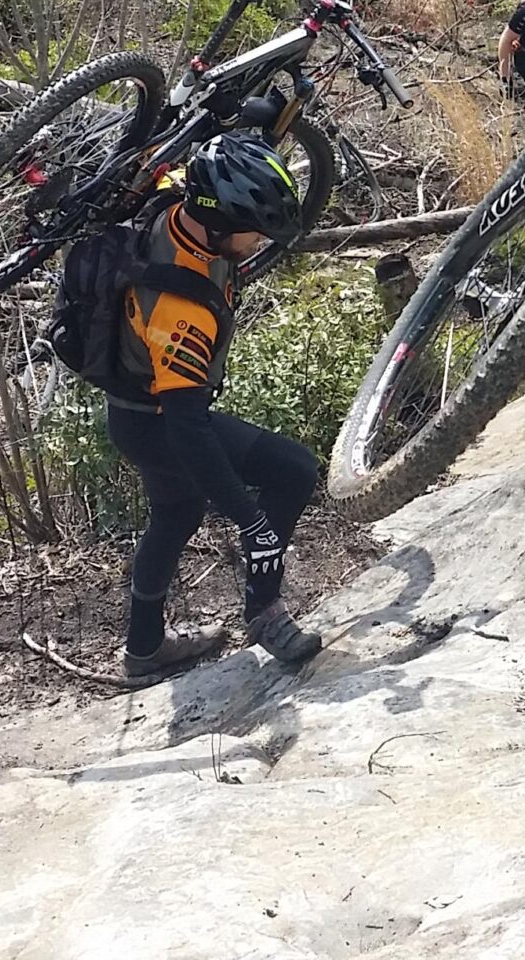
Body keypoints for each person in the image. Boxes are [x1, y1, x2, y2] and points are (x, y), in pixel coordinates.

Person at [109, 131, 327, 679]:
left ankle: (143, 651)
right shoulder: (182, 312)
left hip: (132, 407)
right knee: (294, 471)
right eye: (255, 231)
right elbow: (188, 431)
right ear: (223, 225)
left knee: (175, 514)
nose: (261, 240)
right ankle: (265, 613)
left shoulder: (183, 195)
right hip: (158, 423)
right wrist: (250, 521)